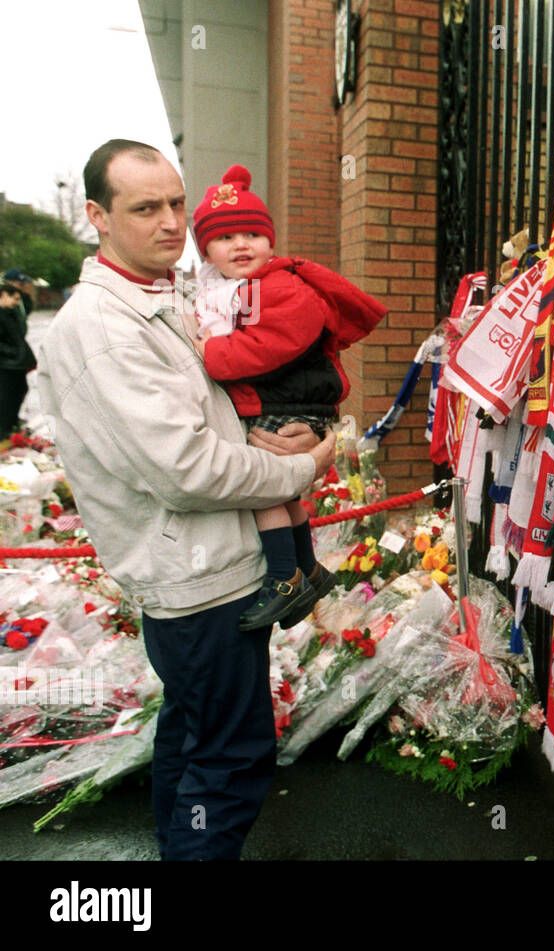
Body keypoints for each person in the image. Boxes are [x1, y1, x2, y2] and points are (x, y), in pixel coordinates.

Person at [35, 138, 338, 861]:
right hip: (198, 586)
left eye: (176, 202)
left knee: (192, 738)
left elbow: (209, 418)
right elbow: (185, 469)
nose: (172, 221)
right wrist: (303, 468)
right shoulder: (103, 328)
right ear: (97, 217)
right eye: (146, 207)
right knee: (230, 765)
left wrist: (270, 436)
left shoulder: (161, 296)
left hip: (212, 571)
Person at [189, 164, 385, 629]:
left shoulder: (280, 285)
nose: (241, 245)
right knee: (286, 492)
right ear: (206, 251)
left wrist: (211, 353)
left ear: (270, 241)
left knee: (262, 489)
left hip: (289, 404)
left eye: (252, 233)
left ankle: (283, 577)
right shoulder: (231, 289)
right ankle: (309, 569)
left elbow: (271, 345)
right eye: (225, 238)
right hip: (286, 401)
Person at [0, 281, 36, 434]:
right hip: (6, 363)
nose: (17, 302)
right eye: (14, 298)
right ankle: (4, 428)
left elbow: (27, 307)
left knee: (21, 389)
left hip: (17, 363)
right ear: (3, 296)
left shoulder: (12, 312)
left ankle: (12, 421)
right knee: (6, 395)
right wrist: (13, 353)